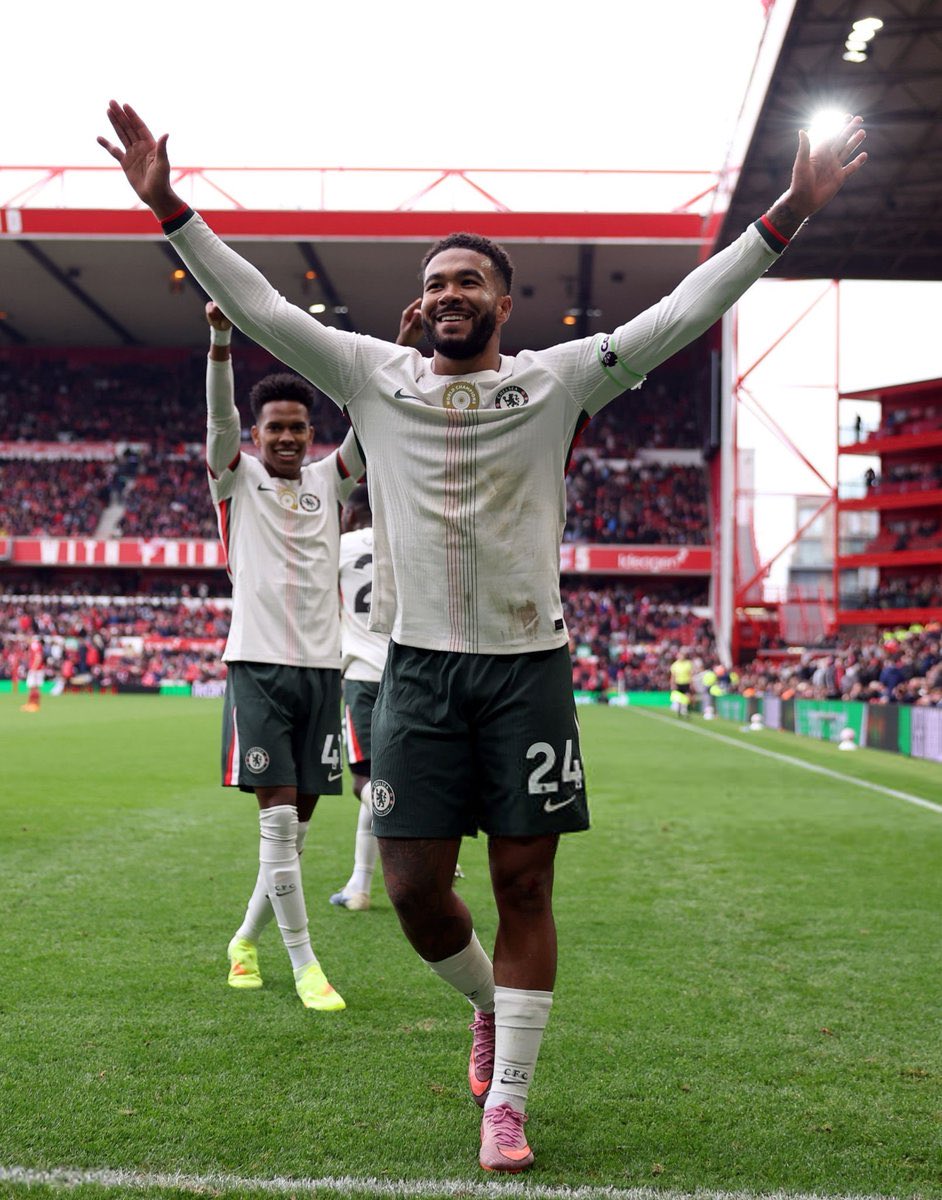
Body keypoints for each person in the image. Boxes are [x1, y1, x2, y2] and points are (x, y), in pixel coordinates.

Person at [100, 102, 867, 1172]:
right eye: (438, 280)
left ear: (506, 301)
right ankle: (484, 1002)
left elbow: (687, 310)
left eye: (472, 279)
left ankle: (507, 1101)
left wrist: (788, 211)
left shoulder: (560, 378)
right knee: (413, 891)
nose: (451, 293)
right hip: (414, 673)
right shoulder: (375, 375)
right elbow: (263, 305)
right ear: (422, 304)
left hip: (528, 671)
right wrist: (170, 208)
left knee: (524, 887)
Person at [202, 300, 363, 1012]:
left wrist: (402, 348)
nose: (289, 438)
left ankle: (244, 941)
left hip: (323, 676)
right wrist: (219, 343)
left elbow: (376, 421)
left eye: (299, 427)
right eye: (277, 428)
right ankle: (305, 966)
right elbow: (218, 423)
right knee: (275, 824)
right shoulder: (236, 478)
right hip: (259, 670)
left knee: (295, 835)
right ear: (258, 435)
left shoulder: (332, 481)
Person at [329, 483, 388, 912]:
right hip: (407, 676)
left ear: (350, 515)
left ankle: (424, 824)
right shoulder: (402, 539)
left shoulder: (340, 544)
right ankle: (359, 886)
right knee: (388, 778)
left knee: (364, 782)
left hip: (364, 678)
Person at [669, 647, 694, 717]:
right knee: (679, 697)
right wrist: (672, 684)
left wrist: (691, 683)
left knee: (687, 696)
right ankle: (679, 710)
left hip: (686, 682)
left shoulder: (688, 664)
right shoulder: (675, 665)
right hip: (678, 682)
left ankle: (685, 709)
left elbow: (690, 674)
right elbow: (673, 676)